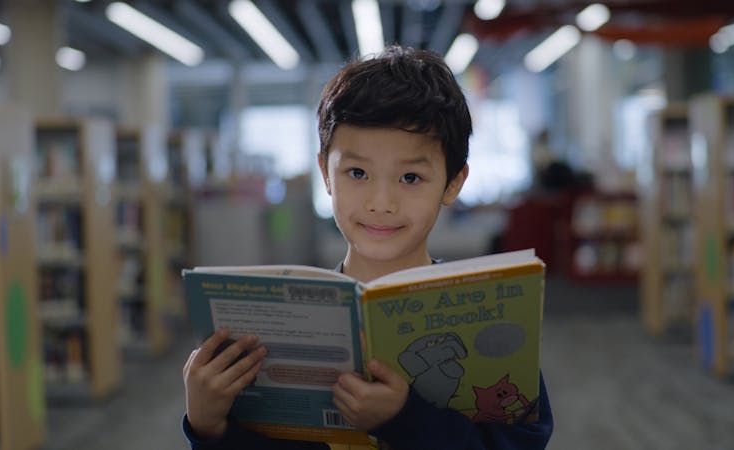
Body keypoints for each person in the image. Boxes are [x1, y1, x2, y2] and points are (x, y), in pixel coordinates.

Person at [182, 45, 554, 450]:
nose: (381, 202)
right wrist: (209, 427)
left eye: (410, 178)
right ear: (326, 173)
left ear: (453, 183)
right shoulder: (273, 322)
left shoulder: (486, 312)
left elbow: (518, 443)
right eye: (357, 172)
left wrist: (405, 420)